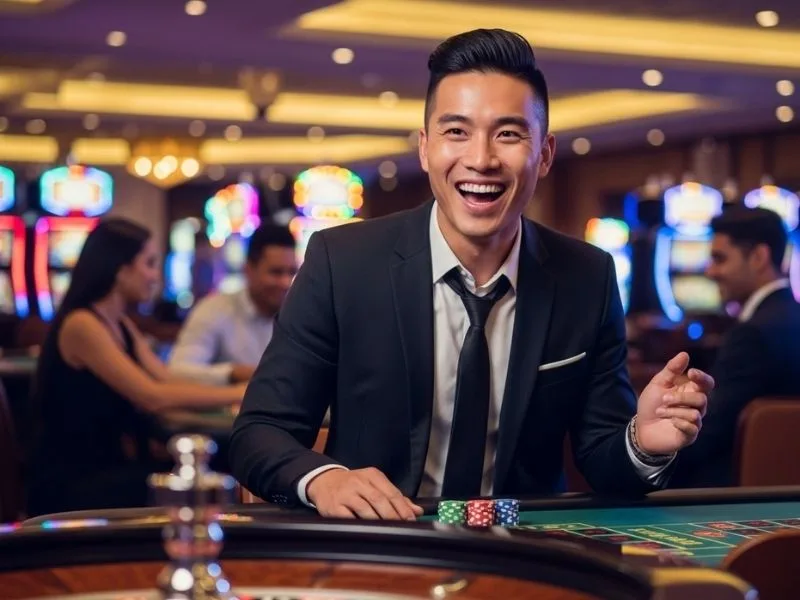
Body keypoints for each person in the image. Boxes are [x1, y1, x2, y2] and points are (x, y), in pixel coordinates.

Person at [230, 28, 713, 520]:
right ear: (425, 148)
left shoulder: (587, 277)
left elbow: (602, 458)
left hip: (521, 546)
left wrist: (642, 443)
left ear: (545, 153)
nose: (481, 160)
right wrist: (326, 480)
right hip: (379, 542)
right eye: (456, 132)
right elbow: (259, 432)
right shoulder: (343, 262)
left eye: (508, 134)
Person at [26, 218, 245, 516]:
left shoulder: (119, 322)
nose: (155, 276)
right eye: (149, 264)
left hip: (110, 470)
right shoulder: (82, 324)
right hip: (73, 483)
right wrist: (240, 393)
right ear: (120, 269)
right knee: (207, 479)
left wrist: (238, 389)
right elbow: (152, 396)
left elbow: (166, 380)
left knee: (216, 469)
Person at [669, 206, 800, 487]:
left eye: (720, 259)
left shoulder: (751, 335)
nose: (710, 271)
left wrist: (640, 460)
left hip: (738, 498)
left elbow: (702, 437)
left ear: (759, 257)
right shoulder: (789, 318)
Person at [168, 224, 297, 385]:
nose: (286, 283)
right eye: (276, 272)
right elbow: (177, 372)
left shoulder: (300, 317)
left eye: (292, 272)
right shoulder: (214, 310)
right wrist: (235, 373)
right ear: (248, 270)